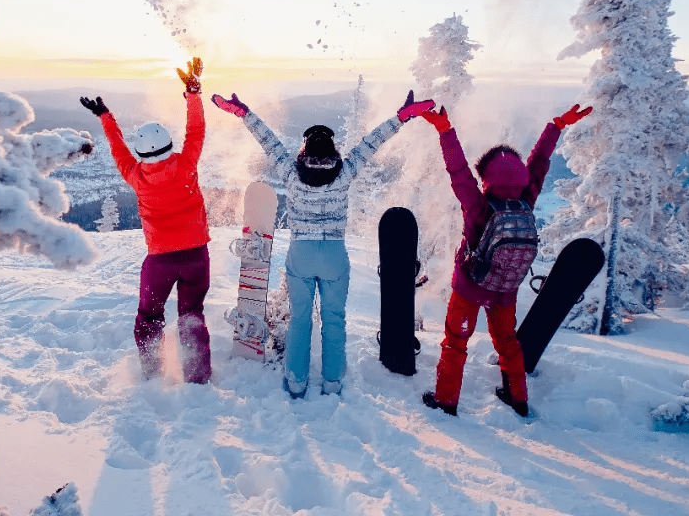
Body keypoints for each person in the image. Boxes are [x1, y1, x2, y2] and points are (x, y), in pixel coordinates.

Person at [212, 89, 435, 398]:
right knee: (334, 320)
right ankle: (331, 382)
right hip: (333, 255)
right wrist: (401, 117)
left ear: (304, 149)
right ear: (332, 150)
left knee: (301, 319)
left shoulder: (291, 173)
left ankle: (296, 381)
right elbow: (372, 143)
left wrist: (244, 113)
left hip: (301, 254)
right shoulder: (343, 175)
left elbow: (268, 141)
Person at [419, 103, 592, 417]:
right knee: (508, 342)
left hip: (470, 288)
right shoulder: (526, 200)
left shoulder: (478, 206)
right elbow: (539, 164)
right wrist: (555, 127)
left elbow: (458, 171)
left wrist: (445, 131)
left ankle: (446, 400)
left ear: (486, 178)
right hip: (505, 288)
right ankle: (518, 398)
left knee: (456, 341)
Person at [79, 57, 213, 384]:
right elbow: (197, 129)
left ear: (143, 156)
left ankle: (154, 374)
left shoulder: (136, 177)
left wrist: (105, 117)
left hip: (160, 262)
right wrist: (193, 93)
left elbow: (117, 148)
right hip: (196, 256)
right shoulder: (186, 166)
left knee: (150, 317)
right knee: (191, 315)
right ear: (169, 147)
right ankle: (198, 377)